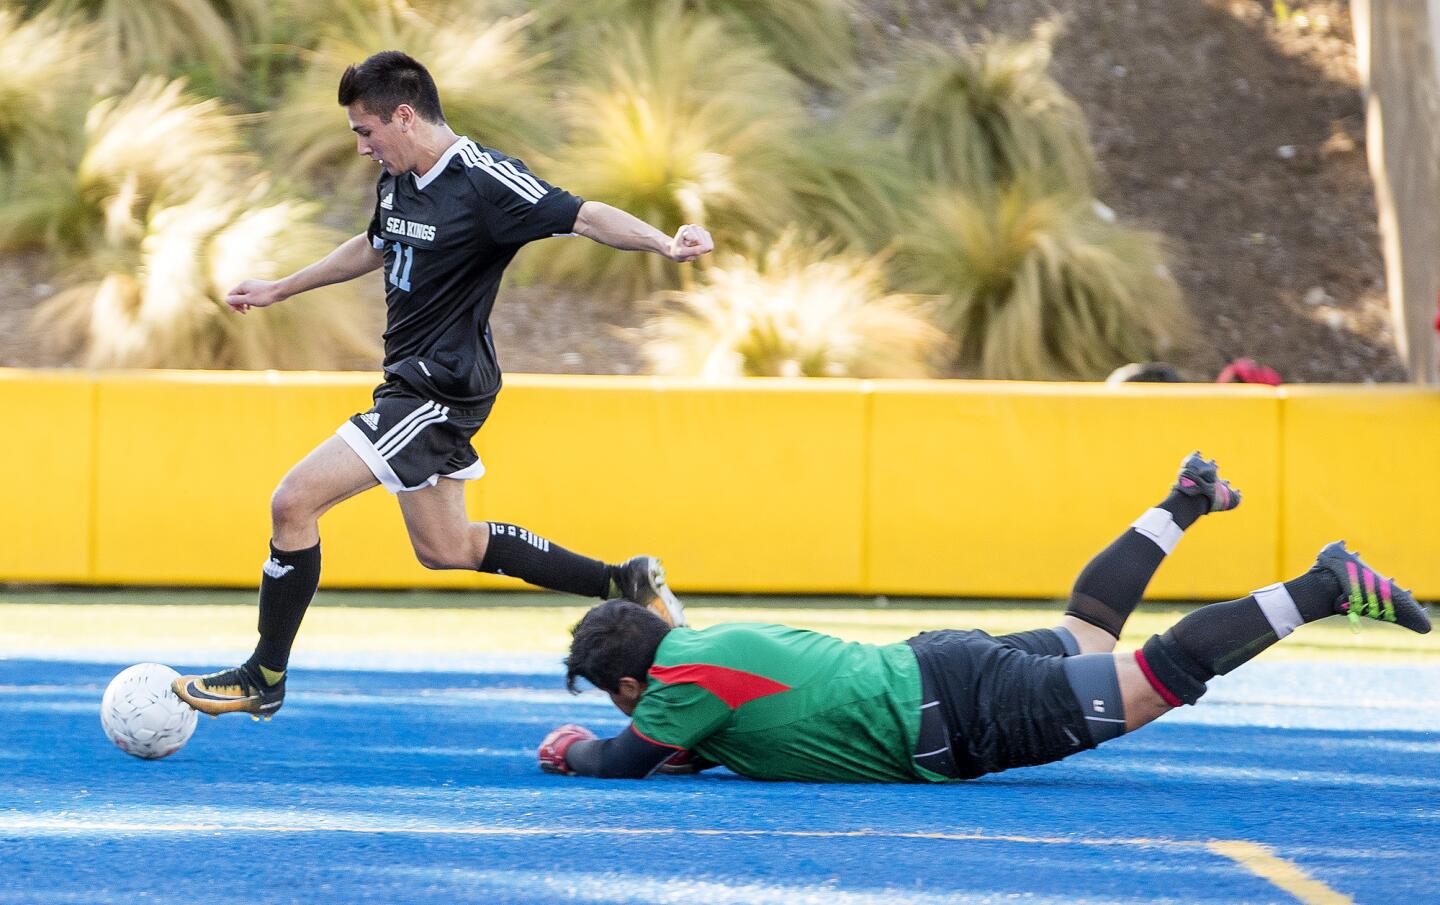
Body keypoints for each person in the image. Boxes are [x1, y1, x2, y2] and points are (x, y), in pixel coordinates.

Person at [174, 51, 712, 719]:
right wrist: (284, 286)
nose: (362, 146)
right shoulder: (399, 176)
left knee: (293, 503)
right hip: (416, 379)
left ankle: (264, 674)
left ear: (404, 115)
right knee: (446, 548)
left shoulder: (484, 180)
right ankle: (621, 580)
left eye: (365, 131)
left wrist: (665, 243)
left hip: (439, 387)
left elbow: (584, 214)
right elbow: (377, 243)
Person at [538, 452, 1430, 782]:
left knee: (1159, 678)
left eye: (620, 700)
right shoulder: (699, 653)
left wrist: (573, 749)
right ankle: (1185, 500)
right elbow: (694, 739)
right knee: (1087, 627)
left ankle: (1323, 587)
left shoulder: (676, 686)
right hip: (941, 669)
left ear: (632, 681)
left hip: (956, 712)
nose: (632, 715)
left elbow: (622, 758)